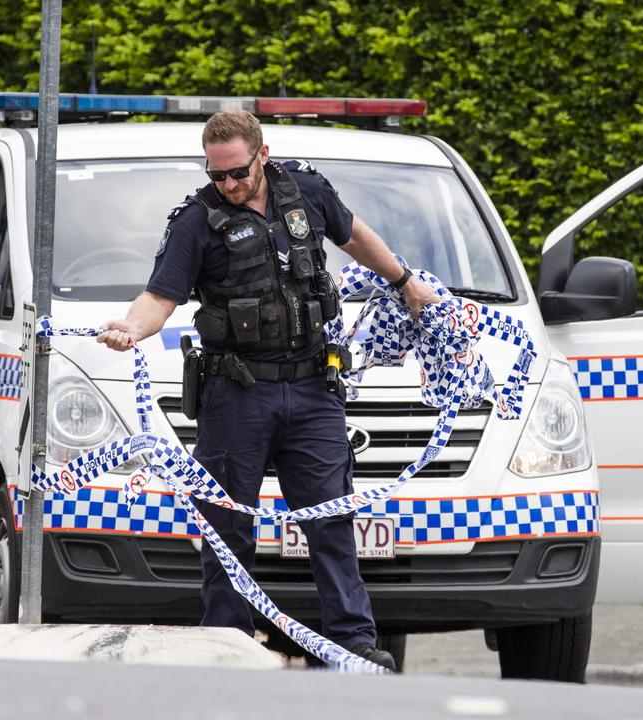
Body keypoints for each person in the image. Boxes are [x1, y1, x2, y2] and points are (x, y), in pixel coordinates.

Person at [97, 109, 438, 671]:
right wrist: (132, 328)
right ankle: (226, 644)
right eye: (217, 175)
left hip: (313, 388)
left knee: (331, 519)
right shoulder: (194, 220)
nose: (228, 185)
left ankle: (350, 644)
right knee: (228, 524)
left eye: (237, 172)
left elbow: (355, 237)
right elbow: (160, 296)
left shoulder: (304, 189)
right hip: (237, 393)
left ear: (262, 153)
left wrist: (407, 284)